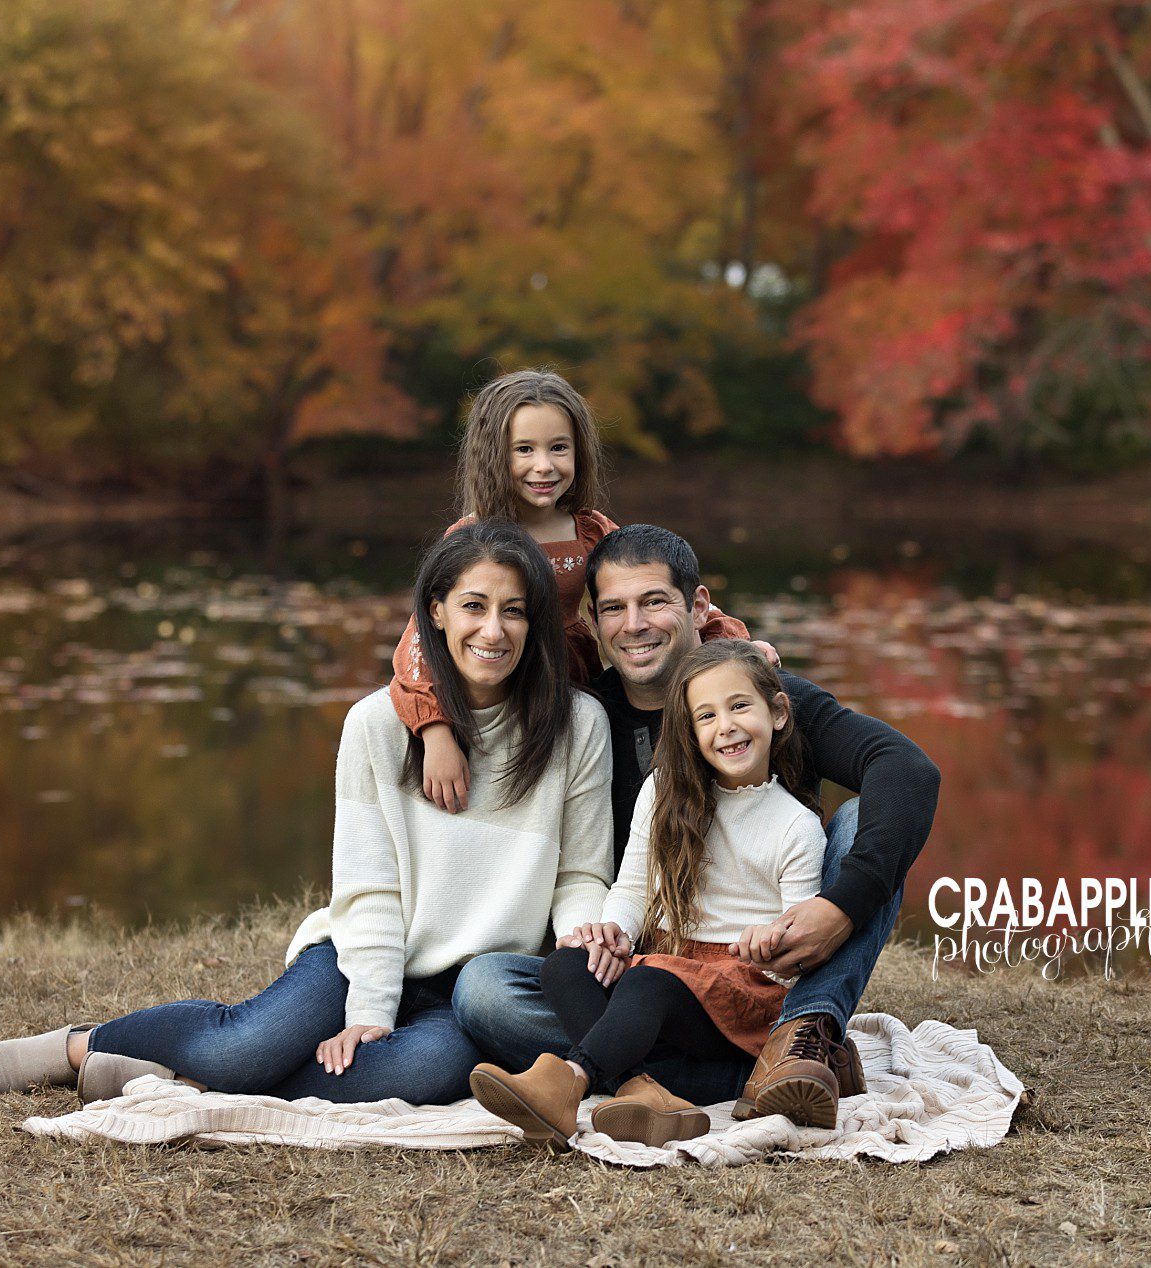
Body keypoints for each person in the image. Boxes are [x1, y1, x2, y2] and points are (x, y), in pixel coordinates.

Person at [0, 521, 614, 1106]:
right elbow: (369, 885)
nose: (493, 630)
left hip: (465, 985)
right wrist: (370, 1007)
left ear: (537, 624)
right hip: (357, 951)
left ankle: (179, 1082)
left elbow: (581, 874)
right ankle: (82, 1045)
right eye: (474, 606)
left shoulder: (578, 727)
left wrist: (577, 947)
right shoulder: (376, 725)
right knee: (242, 1045)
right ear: (436, 613)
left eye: (515, 612)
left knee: (431, 1071)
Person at [453, 525, 942, 1128]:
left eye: (655, 601)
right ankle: (666, 1085)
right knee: (486, 989)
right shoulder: (586, 715)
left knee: (875, 821)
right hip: (649, 954)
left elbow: (908, 770)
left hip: (757, 966)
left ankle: (802, 1035)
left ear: (699, 607)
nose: (634, 624)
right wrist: (429, 724)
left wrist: (840, 906)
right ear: (596, 621)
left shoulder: (766, 698)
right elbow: (466, 657)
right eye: (614, 608)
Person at [469, 640, 826, 1150]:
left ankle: (571, 1082)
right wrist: (613, 934)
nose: (724, 726)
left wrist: (770, 944)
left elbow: (797, 950)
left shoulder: (796, 827)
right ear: (691, 730)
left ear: (778, 712)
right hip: (667, 969)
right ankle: (645, 1090)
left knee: (649, 983)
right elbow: (633, 887)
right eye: (706, 715)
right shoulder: (662, 791)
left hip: (742, 991)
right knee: (566, 966)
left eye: (739, 706)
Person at [390, 368, 775, 814]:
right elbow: (417, 648)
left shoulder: (589, 531)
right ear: (493, 455)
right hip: (497, 681)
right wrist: (434, 730)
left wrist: (734, 648)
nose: (544, 465)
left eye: (558, 448)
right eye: (524, 450)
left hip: (570, 685)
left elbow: (662, 591)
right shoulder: (473, 540)